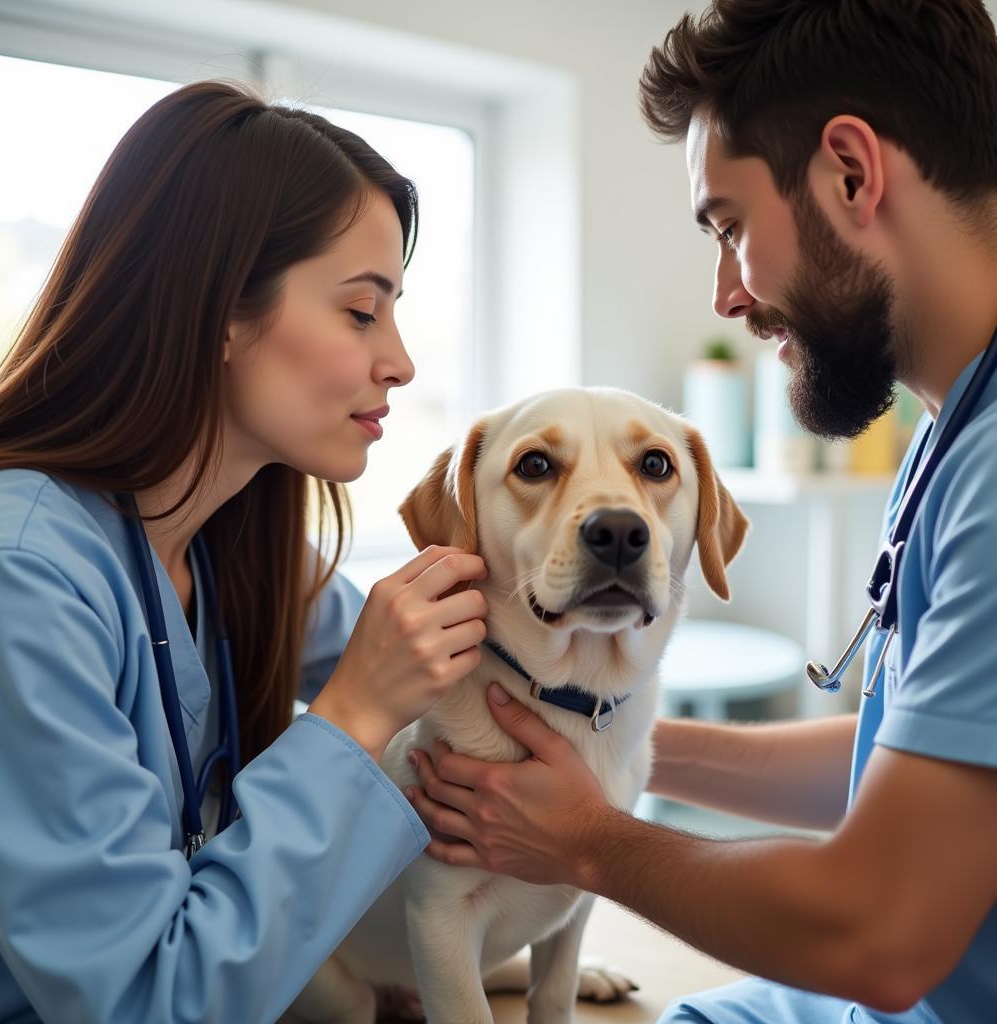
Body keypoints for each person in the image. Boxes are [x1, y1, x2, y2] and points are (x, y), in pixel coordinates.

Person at [405, 2, 997, 1022]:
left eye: (728, 228)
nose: (725, 294)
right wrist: (607, 743)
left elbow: (882, 932)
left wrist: (589, 840)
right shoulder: (949, 429)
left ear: (850, 173)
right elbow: (920, 759)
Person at [0, 81, 489, 1024]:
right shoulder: (15, 573)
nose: (403, 361)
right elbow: (142, 1001)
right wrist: (357, 714)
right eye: (362, 312)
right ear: (220, 310)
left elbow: (458, 676)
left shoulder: (234, 545)